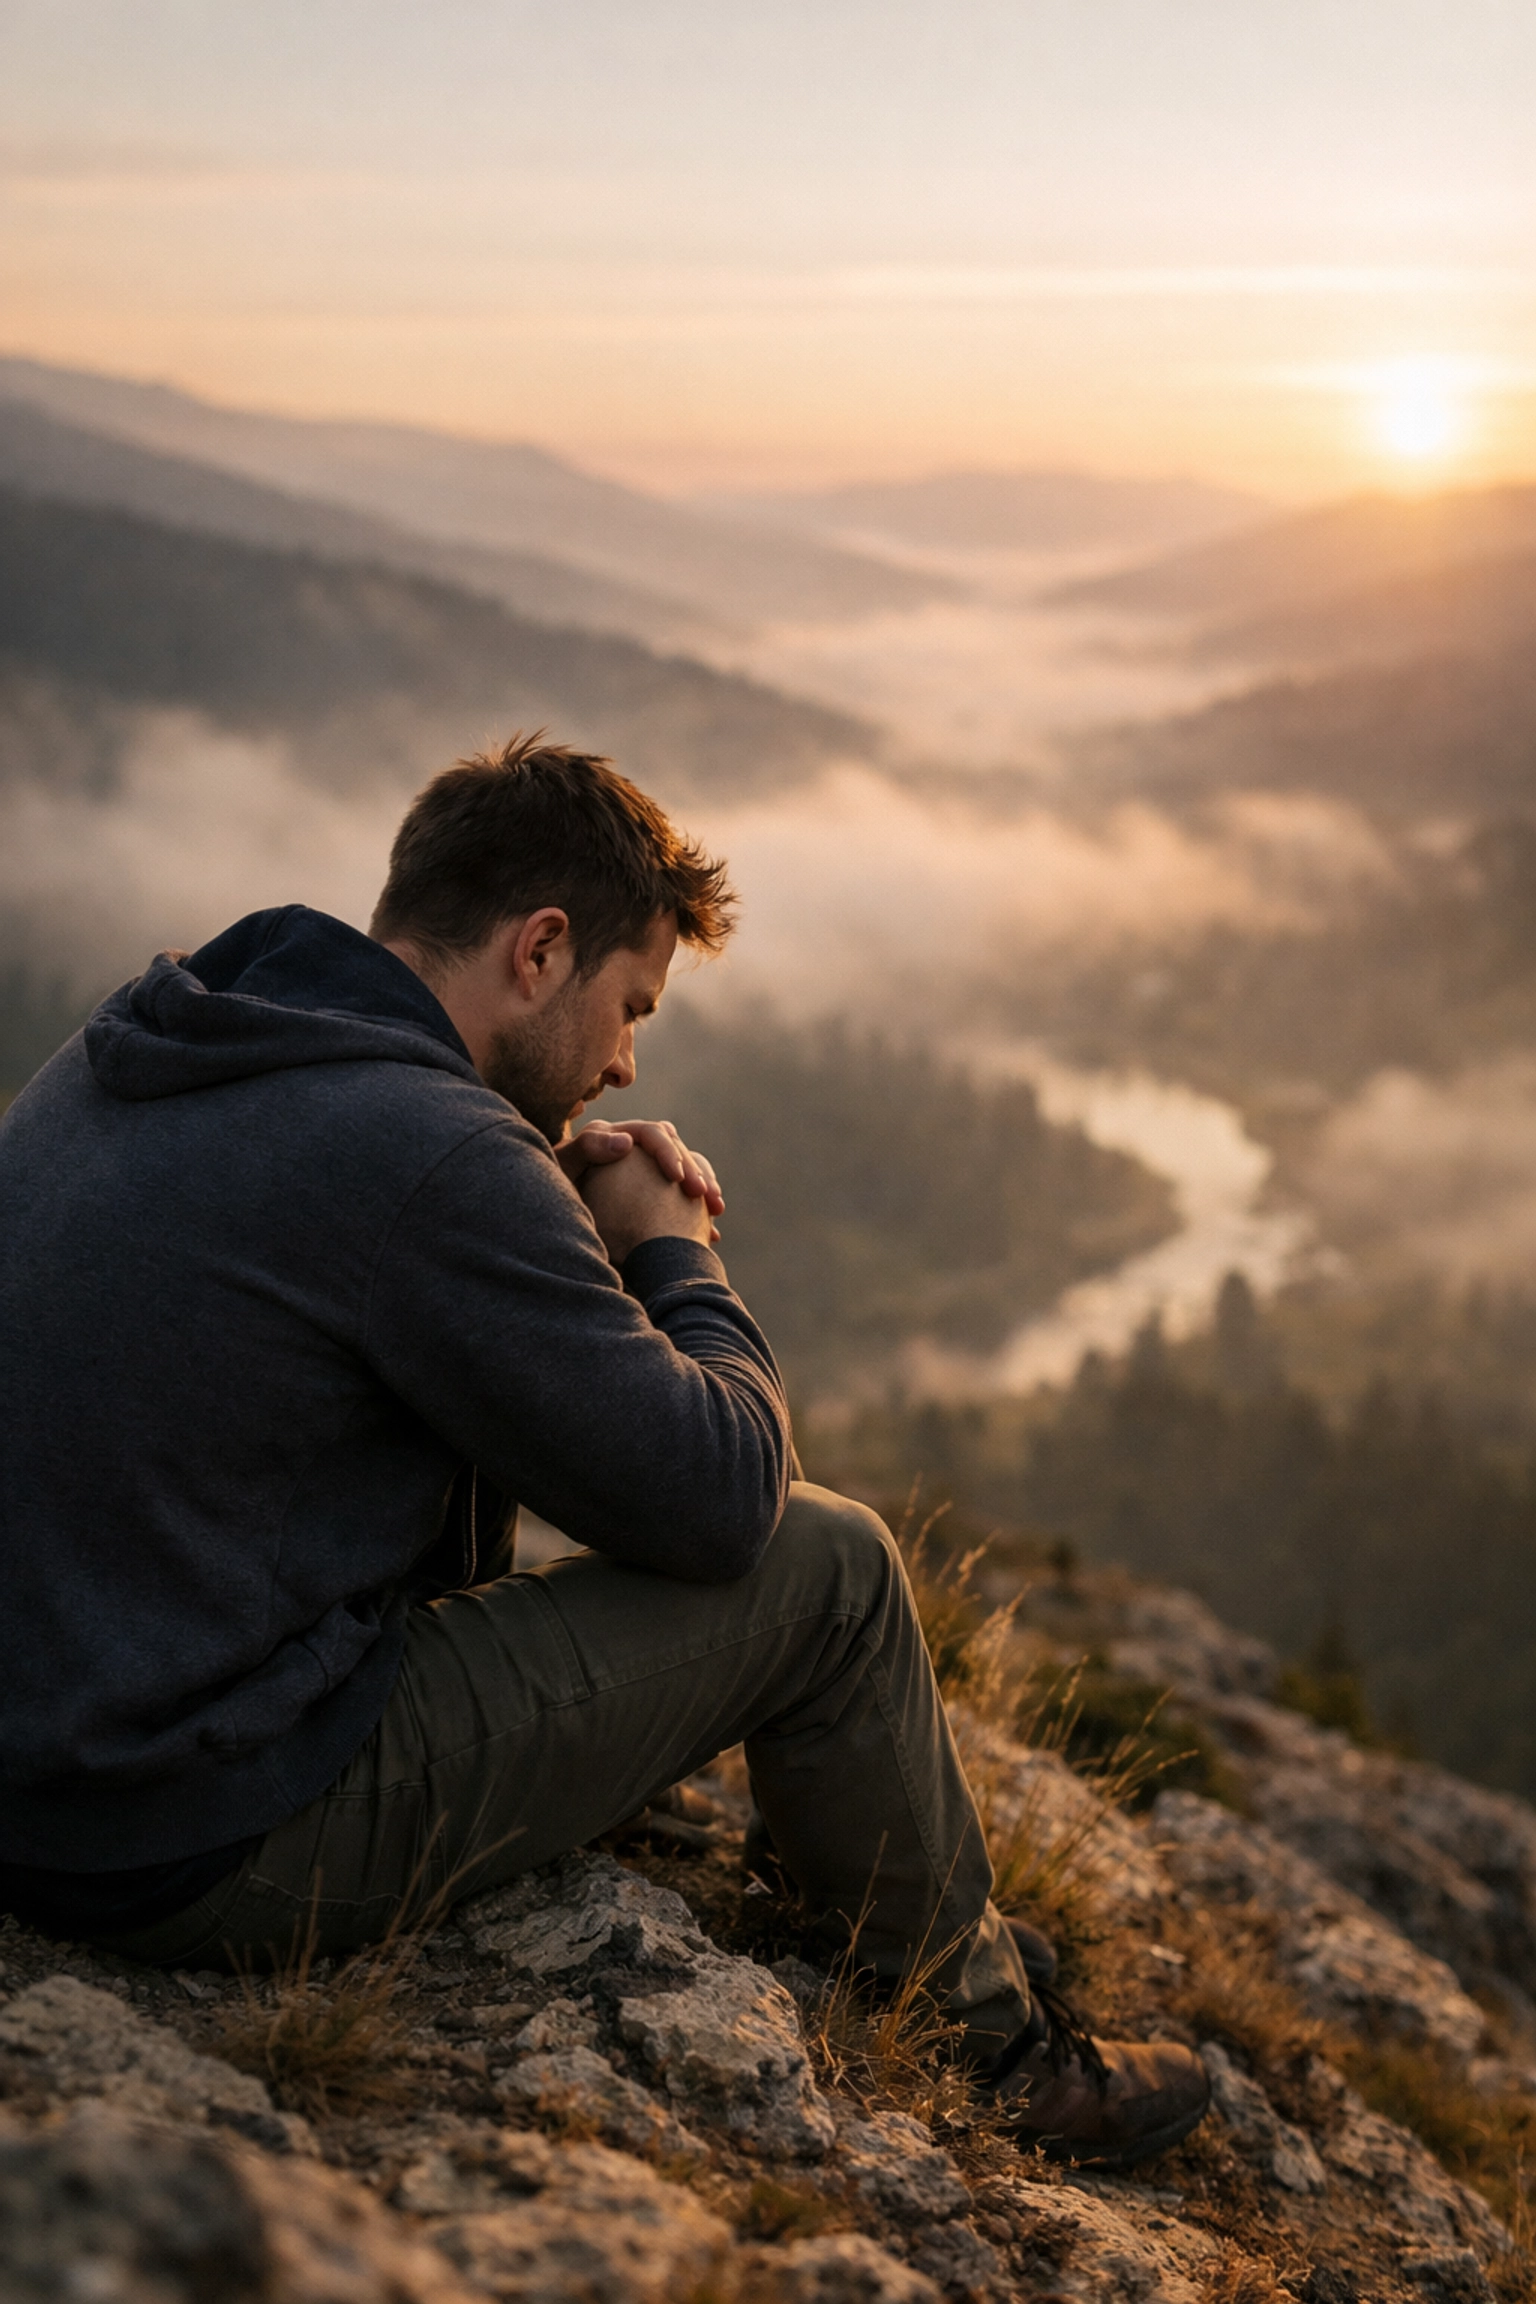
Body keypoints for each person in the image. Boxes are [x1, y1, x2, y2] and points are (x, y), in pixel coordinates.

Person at [0, 734, 1208, 2168]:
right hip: (187, 1832)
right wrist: (668, 1254)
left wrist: (531, 1219)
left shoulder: (180, 1029)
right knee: (837, 1571)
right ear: (541, 950)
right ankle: (998, 2056)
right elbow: (717, 1505)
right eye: (630, 1005)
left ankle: (844, 1862)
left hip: (51, 1750)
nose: (628, 1056)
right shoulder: (432, 1156)